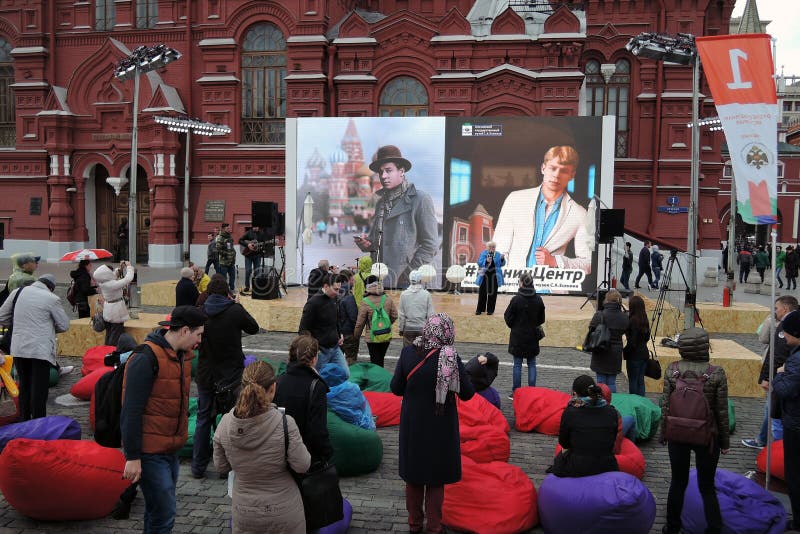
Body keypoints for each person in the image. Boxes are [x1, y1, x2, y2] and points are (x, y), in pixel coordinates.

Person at [120, 305, 205, 533]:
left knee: (157, 511)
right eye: (198, 335)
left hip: (171, 448)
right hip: (149, 452)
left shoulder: (184, 357)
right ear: (185, 331)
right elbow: (130, 410)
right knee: (164, 513)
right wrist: (133, 457)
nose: (199, 341)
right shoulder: (145, 357)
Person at [390, 313, 475, 534]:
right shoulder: (450, 357)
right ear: (447, 331)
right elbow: (467, 393)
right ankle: (435, 527)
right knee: (436, 479)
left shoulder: (408, 352)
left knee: (414, 477)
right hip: (441, 426)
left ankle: (414, 525)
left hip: (413, 424)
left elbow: (396, 388)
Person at [213, 360, 310, 534]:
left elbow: (221, 467)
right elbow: (303, 465)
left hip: (245, 510)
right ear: (273, 388)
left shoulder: (225, 423)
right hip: (284, 510)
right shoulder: (285, 423)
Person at [660, 327, 730, 534]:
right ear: (705, 347)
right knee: (707, 486)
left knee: (678, 482)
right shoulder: (716, 373)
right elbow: (721, 411)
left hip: (677, 433)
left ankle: (672, 527)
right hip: (707, 436)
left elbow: (665, 406)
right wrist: (724, 442)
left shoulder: (672, 370)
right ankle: (714, 528)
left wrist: (663, 432)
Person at [192, 276, 259, 479]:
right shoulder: (234, 310)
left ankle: (198, 466)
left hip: (206, 374)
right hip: (230, 375)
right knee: (232, 418)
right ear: (226, 293)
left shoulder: (200, 312)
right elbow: (253, 328)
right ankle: (226, 467)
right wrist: (238, 305)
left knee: (203, 418)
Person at [492, 145, 592, 273]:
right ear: (543, 168)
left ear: (572, 175)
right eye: (553, 168)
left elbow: (588, 263)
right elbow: (498, 249)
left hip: (551, 290)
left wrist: (555, 261)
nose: (556, 175)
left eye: (564, 171)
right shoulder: (515, 199)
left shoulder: (580, 213)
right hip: (513, 287)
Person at [354, 145, 439, 288]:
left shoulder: (420, 199)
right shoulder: (380, 203)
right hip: (380, 280)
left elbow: (430, 245)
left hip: (408, 284)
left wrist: (408, 275)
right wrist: (366, 244)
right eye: (381, 172)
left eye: (388, 171)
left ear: (401, 171)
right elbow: (377, 242)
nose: (383, 176)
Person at [0, 274, 69, 421]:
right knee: (39, 389)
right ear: (51, 288)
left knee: (24, 385)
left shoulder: (17, 292)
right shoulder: (51, 298)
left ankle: (25, 419)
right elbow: (64, 325)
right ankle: (38, 421)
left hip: (19, 347)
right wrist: (47, 328)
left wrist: (18, 325)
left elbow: (2, 317)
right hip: (40, 349)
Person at [742, 296, 797, 449]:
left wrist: (767, 377)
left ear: (785, 308)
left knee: (773, 414)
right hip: (783, 377)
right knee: (772, 412)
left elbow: (777, 354)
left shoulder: (786, 324)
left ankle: (774, 449)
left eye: (776, 308)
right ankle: (764, 440)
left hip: (780, 378)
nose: (774, 311)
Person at [274, 335, 333, 467]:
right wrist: (326, 453)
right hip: (306, 453)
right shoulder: (316, 386)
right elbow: (318, 428)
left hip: (281, 451)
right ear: (314, 359)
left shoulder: (279, 381)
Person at [549, 375, 620, 477]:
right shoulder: (612, 411)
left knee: (559, 460)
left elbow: (564, 443)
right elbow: (612, 439)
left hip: (579, 466)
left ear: (575, 393)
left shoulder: (570, 412)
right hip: (607, 465)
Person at [771, 311, 800, 532]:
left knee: (795, 474)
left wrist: (779, 374)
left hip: (796, 425)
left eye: (787, 333)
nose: (785, 337)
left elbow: (785, 389)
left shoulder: (797, 360)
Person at [504, 273, 545, 399]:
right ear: (531, 282)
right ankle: (532, 391)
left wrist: (515, 326)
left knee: (517, 364)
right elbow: (541, 319)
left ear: (521, 283)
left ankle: (516, 392)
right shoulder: (538, 299)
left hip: (518, 336)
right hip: (532, 336)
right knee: (532, 363)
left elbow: (507, 317)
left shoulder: (516, 299)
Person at [298, 273, 349, 375]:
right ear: (326, 286)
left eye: (339, 289)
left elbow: (336, 318)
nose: (338, 292)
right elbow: (303, 329)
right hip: (321, 351)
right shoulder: (313, 303)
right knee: (318, 379)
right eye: (335, 289)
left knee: (345, 374)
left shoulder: (333, 298)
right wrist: (314, 350)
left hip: (334, 348)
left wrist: (340, 334)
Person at [587, 289, 629, 392]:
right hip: (616, 351)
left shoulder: (599, 315)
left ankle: (601, 403)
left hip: (600, 349)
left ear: (606, 300)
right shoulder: (624, 317)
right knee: (611, 382)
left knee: (600, 380)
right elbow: (626, 330)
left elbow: (591, 329)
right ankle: (612, 401)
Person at [354, 275, 398, 368]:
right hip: (385, 334)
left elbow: (360, 323)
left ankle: (376, 379)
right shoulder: (387, 298)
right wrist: (386, 325)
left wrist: (356, 336)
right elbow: (395, 315)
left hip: (372, 336)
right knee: (381, 358)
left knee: (374, 360)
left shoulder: (365, 301)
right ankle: (381, 377)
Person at [94, 260, 135, 346]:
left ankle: (106, 351)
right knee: (115, 335)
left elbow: (113, 275)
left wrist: (120, 268)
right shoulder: (111, 284)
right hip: (116, 311)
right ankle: (111, 353)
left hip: (108, 310)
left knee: (109, 333)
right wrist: (129, 267)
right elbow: (128, 279)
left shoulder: (103, 282)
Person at [624, 295, 651, 397]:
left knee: (633, 381)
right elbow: (647, 337)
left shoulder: (632, 320)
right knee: (640, 380)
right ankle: (641, 401)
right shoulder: (644, 319)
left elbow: (632, 342)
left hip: (634, 355)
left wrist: (625, 351)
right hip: (644, 353)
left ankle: (634, 402)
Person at [398, 270, 434, 346]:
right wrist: (430, 330)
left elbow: (401, 315)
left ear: (410, 279)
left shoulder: (403, 294)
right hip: (422, 327)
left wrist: (401, 329)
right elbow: (430, 315)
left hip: (408, 328)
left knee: (408, 352)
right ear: (420, 280)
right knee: (421, 353)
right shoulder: (427, 294)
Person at [475, 241, 506, 315]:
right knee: (482, 293)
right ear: (487, 247)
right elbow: (479, 262)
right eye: (490, 247)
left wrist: (502, 259)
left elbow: (502, 264)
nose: (492, 248)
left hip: (495, 276)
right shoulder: (483, 253)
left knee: (493, 294)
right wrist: (486, 260)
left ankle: (490, 310)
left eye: (493, 247)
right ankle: (480, 309)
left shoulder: (498, 254)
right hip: (485, 276)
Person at [338, 270, 360, 365]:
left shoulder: (334, 293)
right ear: (347, 280)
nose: (354, 282)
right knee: (351, 359)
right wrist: (357, 331)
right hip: (348, 332)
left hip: (337, 332)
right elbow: (353, 316)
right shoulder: (349, 297)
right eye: (352, 279)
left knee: (337, 360)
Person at [238, 224, 267, 296]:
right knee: (248, 270)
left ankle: (255, 286)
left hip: (257, 255)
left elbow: (264, 243)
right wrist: (248, 245)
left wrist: (262, 247)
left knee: (257, 271)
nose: (255, 228)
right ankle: (247, 286)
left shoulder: (261, 234)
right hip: (248, 255)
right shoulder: (248, 233)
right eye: (254, 227)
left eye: (256, 226)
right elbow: (240, 240)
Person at [215, 223, 236, 291]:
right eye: (228, 228)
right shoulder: (220, 237)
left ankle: (232, 289)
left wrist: (233, 254)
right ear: (223, 229)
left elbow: (231, 247)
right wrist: (227, 254)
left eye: (229, 228)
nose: (229, 229)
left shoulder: (229, 236)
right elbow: (218, 249)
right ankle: (225, 290)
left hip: (231, 261)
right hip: (224, 262)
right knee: (224, 278)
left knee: (232, 276)